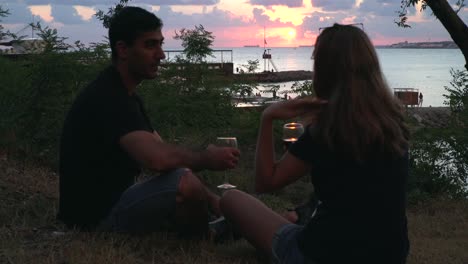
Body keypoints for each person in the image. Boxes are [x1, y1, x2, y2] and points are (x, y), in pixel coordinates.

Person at [220, 24, 410, 264]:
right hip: (390, 256)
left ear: (324, 70)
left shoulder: (328, 130)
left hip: (322, 254)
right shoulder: (395, 125)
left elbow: (265, 182)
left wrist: (268, 117)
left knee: (231, 199)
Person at [58, 6, 240, 236]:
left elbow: (164, 154)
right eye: (150, 45)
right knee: (185, 184)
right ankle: (208, 238)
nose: (161, 54)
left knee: (184, 177)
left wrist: (213, 200)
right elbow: (157, 160)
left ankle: (228, 223)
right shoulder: (107, 97)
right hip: (95, 220)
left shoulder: (124, 94)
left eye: (160, 44)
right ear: (123, 49)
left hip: (117, 202)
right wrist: (207, 157)